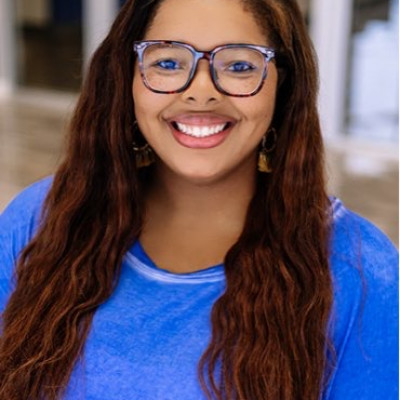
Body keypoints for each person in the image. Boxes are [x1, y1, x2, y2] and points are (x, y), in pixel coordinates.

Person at [0, 0, 398, 399]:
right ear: (127, 76)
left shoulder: (361, 271)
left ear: (283, 85)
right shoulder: (40, 218)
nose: (201, 92)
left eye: (239, 66)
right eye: (168, 62)